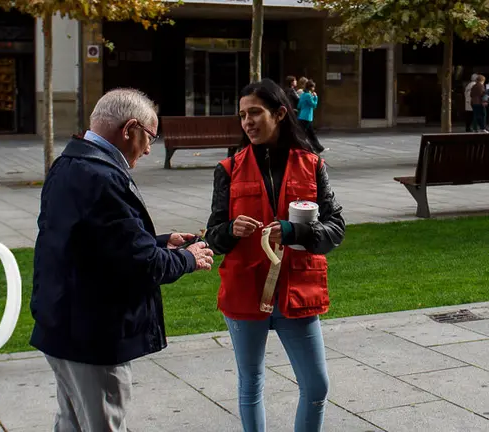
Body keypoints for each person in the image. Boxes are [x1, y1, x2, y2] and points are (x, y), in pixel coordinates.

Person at [30, 88, 214, 432]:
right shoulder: (102, 177)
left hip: (62, 324)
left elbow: (96, 242)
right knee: (102, 424)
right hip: (92, 335)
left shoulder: (69, 165)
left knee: (71, 422)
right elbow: (143, 264)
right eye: (149, 137)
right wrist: (188, 258)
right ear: (130, 129)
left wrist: (160, 241)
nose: (147, 149)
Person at [204, 78, 345, 432]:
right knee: (251, 382)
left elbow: (335, 229)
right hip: (245, 289)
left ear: (280, 113)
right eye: (242, 115)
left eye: (255, 113)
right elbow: (214, 237)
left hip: (297, 290)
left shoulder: (312, 165)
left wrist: (296, 231)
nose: (247, 122)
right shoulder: (228, 170)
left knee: (316, 386)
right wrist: (230, 229)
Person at [297, 80, 325, 154]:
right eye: (313, 87)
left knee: (308, 133)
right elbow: (314, 105)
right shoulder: (308, 95)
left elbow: (299, 105)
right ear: (310, 87)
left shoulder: (303, 95)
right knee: (309, 134)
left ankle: (318, 148)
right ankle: (316, 148)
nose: (314, 88)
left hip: (301, 116)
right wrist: (316, 97)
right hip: (307, 117)